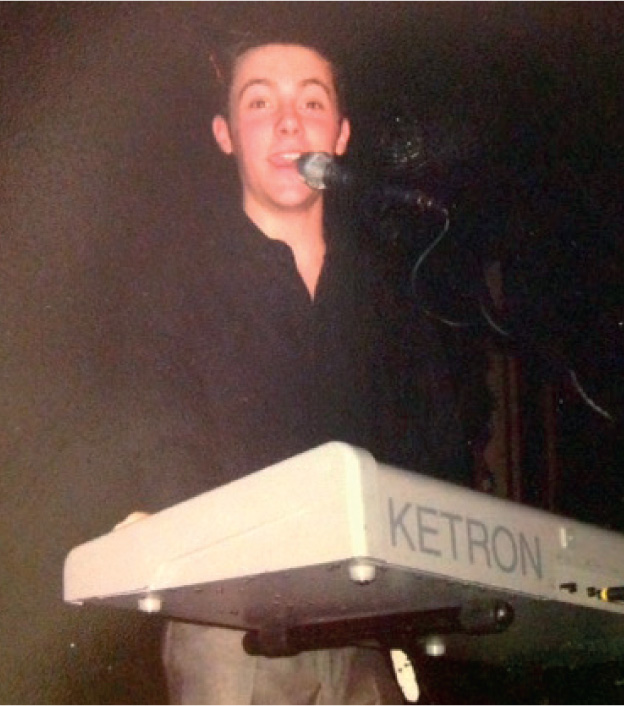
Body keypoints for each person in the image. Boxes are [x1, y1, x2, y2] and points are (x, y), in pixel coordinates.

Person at [120, 30, 488, 704]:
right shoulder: (172, 287)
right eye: (259, 103)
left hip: (373, 629)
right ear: (225, 133)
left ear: (341, 136)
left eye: (311, 102)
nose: (289, 120)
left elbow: (440, 466)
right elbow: (160, 440)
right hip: (231, 624)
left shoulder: (392, 297)